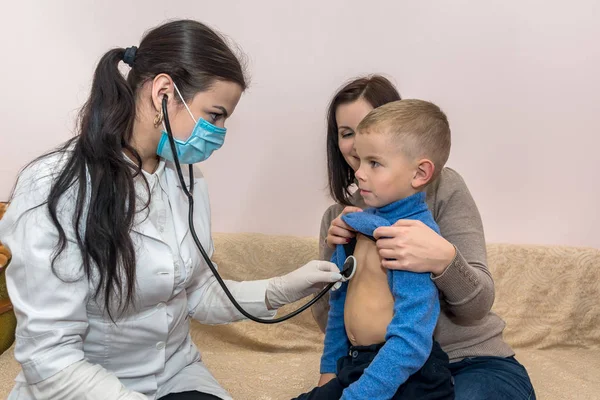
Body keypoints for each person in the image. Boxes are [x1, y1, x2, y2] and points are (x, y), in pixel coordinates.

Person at [0, 20, 342, 400]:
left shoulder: (186, 182)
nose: (220, 132)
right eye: (215, 115)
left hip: (176, 377)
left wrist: (284, 287)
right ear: (163, 91)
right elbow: (49, 357)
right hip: (83, 387)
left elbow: (197, 294)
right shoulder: (55, 187)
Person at [312, 76, 536, 400]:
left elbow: (478, 306)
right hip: (381, 367)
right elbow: (335, 321)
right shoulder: (340, 218)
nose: (359, 141)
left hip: (470, 361)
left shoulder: (444, 188)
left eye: (370, 125)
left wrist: (444, 260)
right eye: (347, 134)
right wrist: (335, 257)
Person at [295, 100, 455, 400]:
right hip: (357, 365)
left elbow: (411, 339)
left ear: (420, 173)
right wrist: (330, 371)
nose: (359, 173)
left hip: (409, 377)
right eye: (360, 160)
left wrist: (360, 395)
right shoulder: (354, 226)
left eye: (374, 163)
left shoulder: (412, 241)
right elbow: (337, 306)